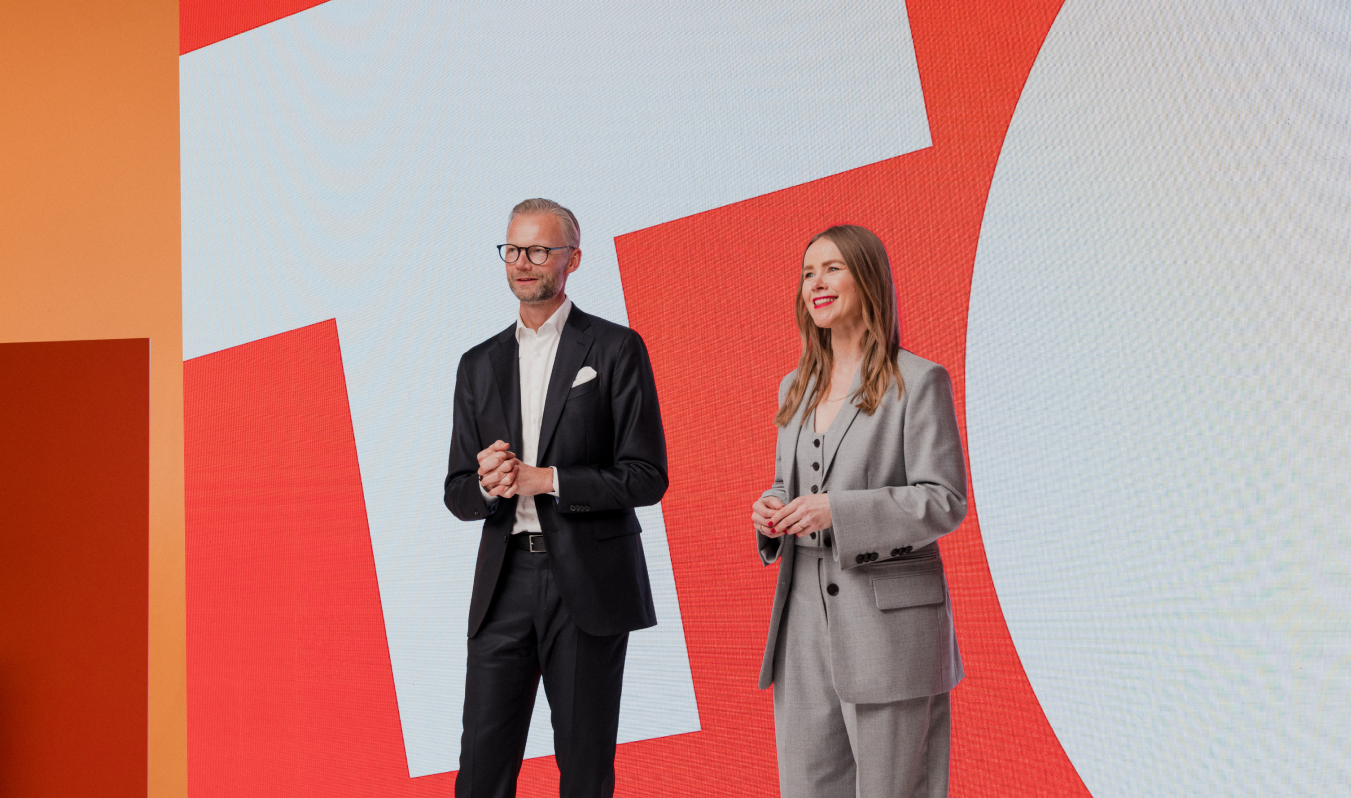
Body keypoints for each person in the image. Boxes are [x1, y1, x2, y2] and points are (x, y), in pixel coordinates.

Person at [444, 198, 667, 798]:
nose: (523, 262)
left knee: (585, 770)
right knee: (481, 770)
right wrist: (487, 484)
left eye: (539, 250)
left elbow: (646, 476)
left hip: (588, 581)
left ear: (572, 259)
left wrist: (549, 479)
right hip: (505, 580)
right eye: (513, 249)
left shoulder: (616, 349)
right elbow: (457, 492)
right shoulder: (478, 364)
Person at [750, 225, 968, 798]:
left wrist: (836, 512)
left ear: (867, 278)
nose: (815, 283)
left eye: (832, 268)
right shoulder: (793, 388)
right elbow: (790, 481)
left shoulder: (918, 382)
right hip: (800, 628)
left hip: (889, 630)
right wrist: (773, 508)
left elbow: (944, 500)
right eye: (807, 273)